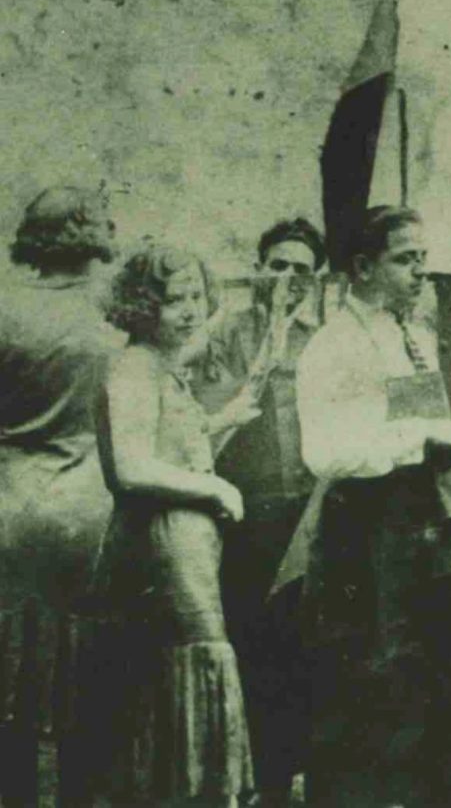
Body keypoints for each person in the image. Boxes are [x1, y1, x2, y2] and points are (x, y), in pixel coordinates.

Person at [291, 206, 451, 808]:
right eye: (405, 259)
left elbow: (419, 419)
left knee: (434, 685)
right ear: (362, 266)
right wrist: (425, 439)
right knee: (366, 687)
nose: (420, 273)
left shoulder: (403, 333)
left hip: (420, 533)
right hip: (363, 538)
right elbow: (327, 453)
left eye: (423, 259)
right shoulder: (334, 348)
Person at [92, 241, 260, 807]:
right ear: (142, 305)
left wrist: (222, 421)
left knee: (174, 678)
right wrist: (215, 485)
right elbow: (131, 467)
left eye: (195, 296)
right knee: (179, 671)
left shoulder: (162, 366)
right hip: (160, 547)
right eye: (172, 300)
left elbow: (172, 445)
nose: (189, 310)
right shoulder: (134, 367)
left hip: (185, 546)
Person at [189, 217, 326, 807]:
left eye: (301, 269)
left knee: (299, 646)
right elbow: (212, 420)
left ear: (316, 279)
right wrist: (266, 338)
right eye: (277, 265)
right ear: (258, 267)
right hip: (243, 514)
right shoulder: (224, 336)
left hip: (308, 514)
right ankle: (242, 780)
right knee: (247, 642)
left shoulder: (322, 341)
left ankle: (284, 779)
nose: (287, 278)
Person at [0, 185, 123, 807]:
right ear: (85, 233)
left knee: (10, 687)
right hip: (91, 518)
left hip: (11, 515)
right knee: (86, 692)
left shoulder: (3, 311)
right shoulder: (111, 322)